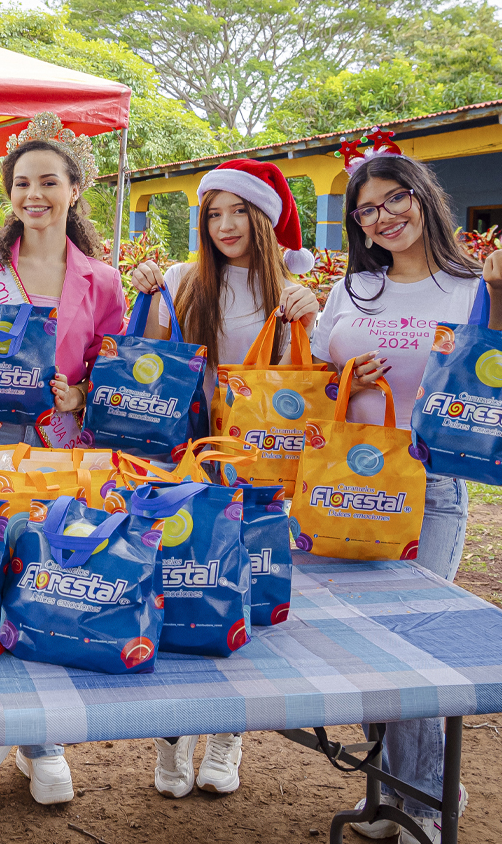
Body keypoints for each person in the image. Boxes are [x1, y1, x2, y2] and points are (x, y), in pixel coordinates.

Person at [308, 148, 502, 844]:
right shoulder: (354, 290)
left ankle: (432, 804)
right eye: (367, 210)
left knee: (413, 641)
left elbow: (495, 368)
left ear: (421, 196)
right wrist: (345, 366)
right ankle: (392, 794)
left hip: (432, 481)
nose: (383, 217)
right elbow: (319, 366)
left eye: (393, 199)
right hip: (356, 479)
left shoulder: (469, 285)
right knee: (367, 646)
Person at [0, 113, 126, 815]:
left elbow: (114, 370)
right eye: (22, 183)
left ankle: (42, 740)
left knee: (49, 586)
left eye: (49, 181)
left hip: (60, 452)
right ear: (9, 193)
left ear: (75, 189)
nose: (34, 193)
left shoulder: (102, 280)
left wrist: (84, 393)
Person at [128, 158, 321, 800]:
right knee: (180, 586)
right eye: (214, 213)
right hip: (186, 460)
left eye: (240, 211)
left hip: (261, 468)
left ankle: (231, 733)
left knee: (244, 590)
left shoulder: (293, 286)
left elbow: (312, 376)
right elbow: (152, 359)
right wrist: (149, 290)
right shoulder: (186, 278)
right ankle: (175, 734)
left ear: (265, 218)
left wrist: (309, 311)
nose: (226, 225)